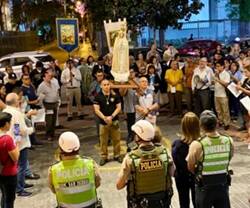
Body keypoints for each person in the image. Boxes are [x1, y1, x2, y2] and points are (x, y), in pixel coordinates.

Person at [116, 120, 174, 208]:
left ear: (138, 137)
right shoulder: (165, 154)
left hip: (140, 204)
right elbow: (172, 173)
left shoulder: (130, 158)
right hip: (162, 202)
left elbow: (119, 185)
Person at [186, 110, 234, 208]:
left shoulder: (197, 144)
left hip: (204, 186)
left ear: (201, 126)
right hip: (222, 184)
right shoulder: (229, 140)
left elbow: (190, 166)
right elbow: (229, 157)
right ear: (217, 124)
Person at [48, 131, 101, 208]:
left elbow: (54, 190)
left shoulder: (53, 170)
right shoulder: (90, 163)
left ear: (60, 149)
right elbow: (97, 183)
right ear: (78, 147)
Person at [3, 93, 34, 197]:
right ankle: (19, 189)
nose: (19, 101)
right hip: (18, 143)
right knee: (21, 166)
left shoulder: (5, 111)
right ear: (15, 101)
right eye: (18, 99)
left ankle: (21, 184)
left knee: (19, 166)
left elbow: (16, 128)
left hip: (11, 142)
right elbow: (21, 130)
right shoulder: (16, 113)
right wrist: (31, 130)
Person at [172, 112, 200, 208]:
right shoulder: (200, 144)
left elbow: (176, 162)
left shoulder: (177, 145)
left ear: (183, 126)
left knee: (183, 202)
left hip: (181, 177)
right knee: (197, 202)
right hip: (196, 177)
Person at [93, 79, 122, 166]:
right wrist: (104, 118)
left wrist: (112, 116)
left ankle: (117, 155)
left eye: (108, 84)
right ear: (101, 86)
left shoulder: (115, 95)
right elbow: (96, 110)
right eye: (104, 85)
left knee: (116, 139)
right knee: (103, 141)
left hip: (114, 121)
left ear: (110, 85)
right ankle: (104, 157)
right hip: (103, 122)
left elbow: (119, 107)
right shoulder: (98, 96)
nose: (106, 86)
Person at [0, 112, 20, 208]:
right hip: (9, 173)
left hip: (0, 171)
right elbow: (15, 157)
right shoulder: (6, 139)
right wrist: (18, 143)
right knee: (10, 199)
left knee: (4, 195)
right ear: (6, 124)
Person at [37, 68, 60, 141]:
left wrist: (58, 100)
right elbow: (39, 97)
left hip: (54, 104)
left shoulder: (53, 83)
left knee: (54, 120)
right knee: (49, 121)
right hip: (47, 104)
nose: (49, 77)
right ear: (44, 77)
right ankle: (48, 134)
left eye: (50, 76)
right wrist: (43, 107)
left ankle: (52, 133)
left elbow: (57, 92)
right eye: (48, 76)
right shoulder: (41, 86)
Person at [213, 60, 231, 130]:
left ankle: (226, 123)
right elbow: (214, 82)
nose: (217, 68)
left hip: (223, 95)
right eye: (216, 66)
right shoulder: (216, 74)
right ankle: (220, 121)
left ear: (222, 66)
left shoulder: (226, 74)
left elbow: (226, 84)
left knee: (225, 110)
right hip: (216, 94)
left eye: (218, 66)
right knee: (218, 110)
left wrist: (218, 79)